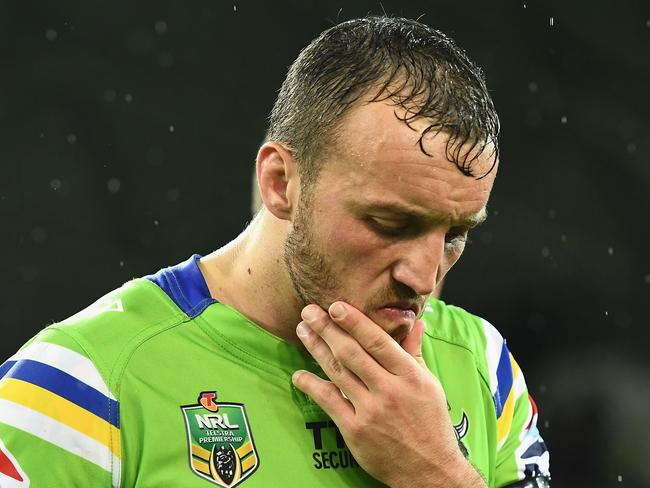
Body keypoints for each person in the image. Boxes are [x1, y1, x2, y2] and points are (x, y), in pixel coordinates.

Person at [0, 16, 550, 488]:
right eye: (389, 223)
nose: (424, 277)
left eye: (454, 234)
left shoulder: (484, 366)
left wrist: (436, 474)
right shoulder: (84, 384)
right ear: (281, 182)